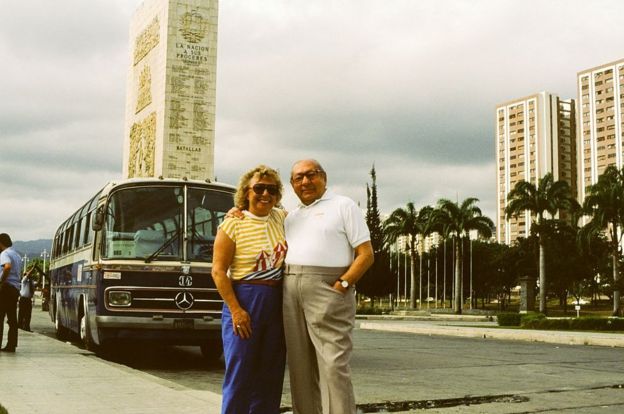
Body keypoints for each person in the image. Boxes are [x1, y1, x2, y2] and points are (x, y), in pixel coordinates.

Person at [282, 159, 374, 414]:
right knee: (300, 367)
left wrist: (343, 284)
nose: (305, 182)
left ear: (324, 177)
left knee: (333, 366)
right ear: (292, 184)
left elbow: (366, 254)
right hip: (290, 290)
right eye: (298, 178)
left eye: (311, 175)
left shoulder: (343, 206)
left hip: (328, 289)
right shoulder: (291, 215)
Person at [212, 165, 288, 414]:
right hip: (245, 300)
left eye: (271, 189)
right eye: (259, 188)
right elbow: (218, 271)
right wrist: (236, 310)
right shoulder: (232, 224)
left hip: (275, 302)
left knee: (270, 374)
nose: (265, 194)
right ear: (246, 192)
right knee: (240, 372)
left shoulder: (281, 218)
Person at [0, 233, 23, 352]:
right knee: (12, 319)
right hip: (15, 289)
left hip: (6, 288)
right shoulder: (17, 255)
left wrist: (1, 281)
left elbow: (7, 267)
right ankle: (12, 345)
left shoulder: (5, 254)